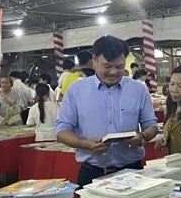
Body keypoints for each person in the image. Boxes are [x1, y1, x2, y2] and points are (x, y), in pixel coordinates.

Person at [56, 36, 158, 188]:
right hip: (92, 173)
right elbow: (62, 130)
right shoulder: (76, 91)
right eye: (107, 66)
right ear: (94, 60)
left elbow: (151, 125)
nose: (113, 72)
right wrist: (85, 144)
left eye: (119, 67)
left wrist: (142, 137)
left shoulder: (138, 89)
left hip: (132, 172)